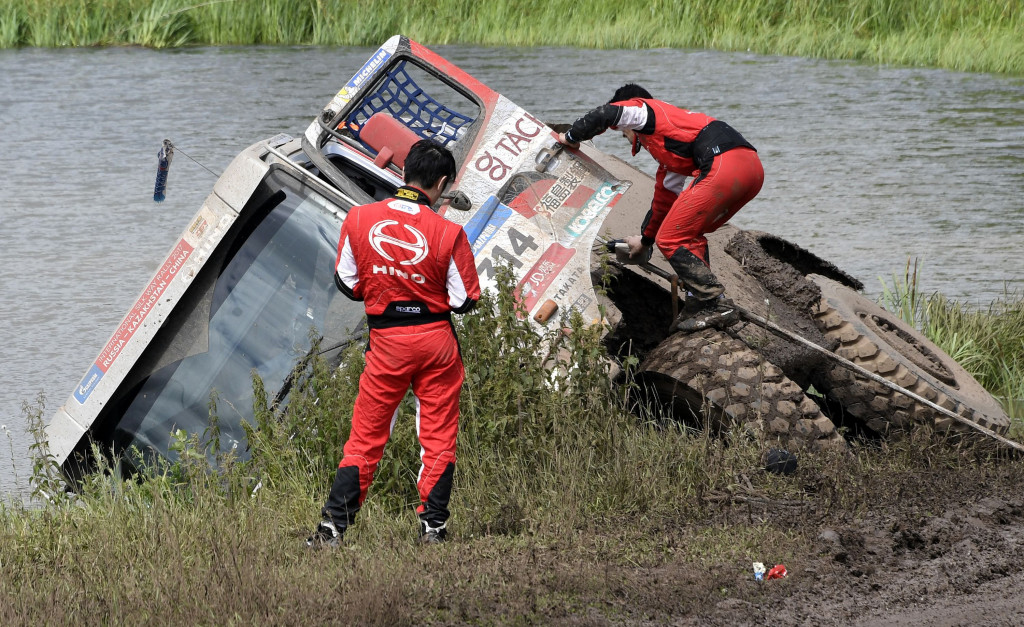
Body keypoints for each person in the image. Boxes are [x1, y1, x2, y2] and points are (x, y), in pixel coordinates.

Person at [307, 139, 481, 547]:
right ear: (440, 183)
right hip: (436, 342)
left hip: (386, 343)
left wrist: (386, 283)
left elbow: (348, 285)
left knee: (366, 437)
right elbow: (465, 300)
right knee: (437, 436)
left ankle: (332, 530)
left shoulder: (358, 218)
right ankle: (433, 529)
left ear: (404, 173)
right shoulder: (450, 231)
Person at [558, 84, 764, 331]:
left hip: (722, 163)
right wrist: (645, 242)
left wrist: (570, 137)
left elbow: (606, 114)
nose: (629, 140)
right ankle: (699, 301)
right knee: (685, 234)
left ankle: (716, 303)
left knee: (671, 238)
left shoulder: (644, 111)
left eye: (625, 134)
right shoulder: (671, 149)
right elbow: (664, 204)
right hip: (751, 169)